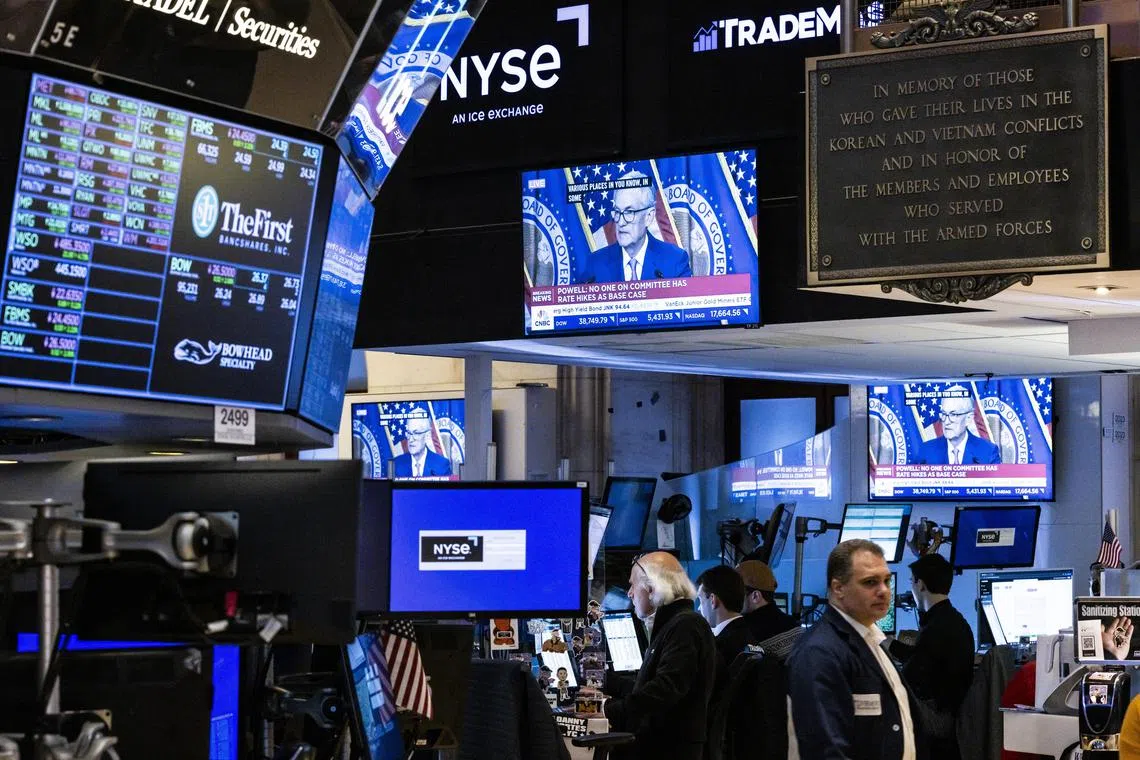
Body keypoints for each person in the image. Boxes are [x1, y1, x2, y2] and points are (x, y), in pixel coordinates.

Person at [787, 539, 920, 760]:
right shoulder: (819, 652)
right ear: (838, 588)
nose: (883, 591)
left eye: (886, 581)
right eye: (870, 582)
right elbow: (827, 750)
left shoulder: (872, 639)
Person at [603, 552, 716, 760]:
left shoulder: (686, 626)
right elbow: (649, 685)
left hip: (667, 748)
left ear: (652, 587)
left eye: (632, 585)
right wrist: (606, 682)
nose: (629, 593)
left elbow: (666, 689)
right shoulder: (675, 624)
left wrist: (609, 711)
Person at [887, 553, 974, 760]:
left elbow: (909, 678)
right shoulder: (953, 620)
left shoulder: (936, 628)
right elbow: (921, 657)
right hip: (954, 717)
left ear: (921, 584)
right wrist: (885, 641)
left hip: (939, 721)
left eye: (911, 582)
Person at [581, 172, 692, 284]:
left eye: (629, 212)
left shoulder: (675, 261)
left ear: (649, 217)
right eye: (617, 212)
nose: (621, 221)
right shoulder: (595, 264)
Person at [696, 565, 757, 760]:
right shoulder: (752, 642)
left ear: (712, 600)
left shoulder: (717, 648)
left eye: (700, 600)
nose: (699, 608)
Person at [916, 392, 1001, 465]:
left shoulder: (988, 451)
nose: (947, 421)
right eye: (944, 414)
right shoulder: (926, 451)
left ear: (968, 418)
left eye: (953, 414)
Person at [736, 560, 797, 641]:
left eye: (736, 592)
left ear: (755, 596)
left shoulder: (744, 634)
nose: (732, 597)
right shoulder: (794, 625)